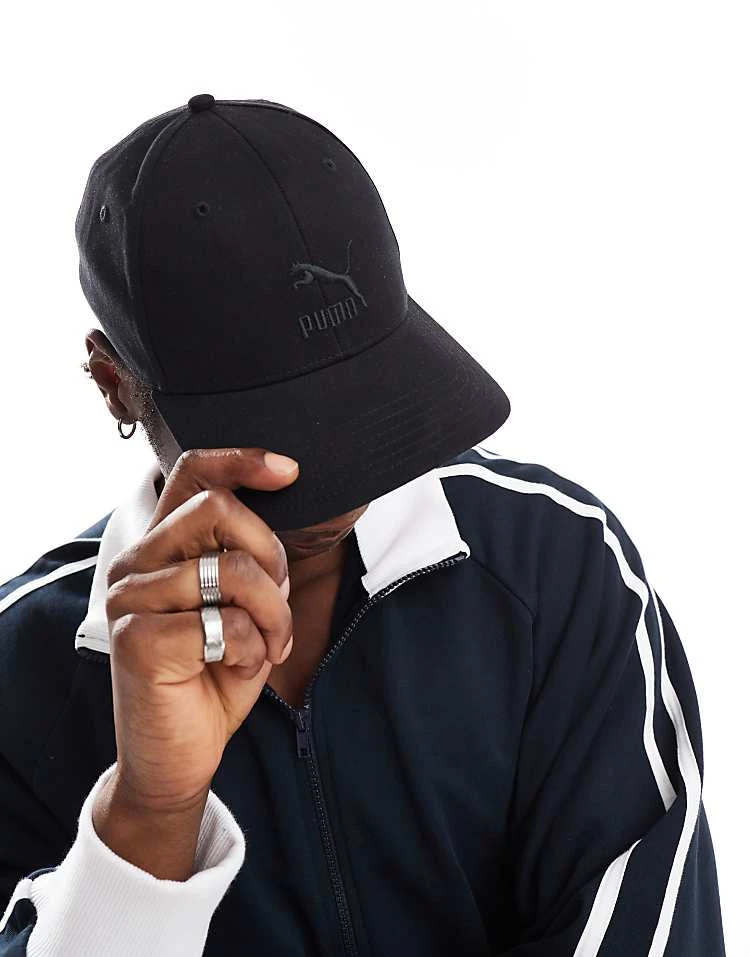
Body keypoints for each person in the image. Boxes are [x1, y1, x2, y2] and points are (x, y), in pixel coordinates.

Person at [0, 94, 725, 956]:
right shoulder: (20, 676)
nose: (336, 469)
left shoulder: (558, 570)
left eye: (366, 394)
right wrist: (149, 815)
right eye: (271, 416)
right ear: (114, 382)